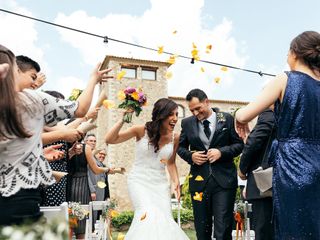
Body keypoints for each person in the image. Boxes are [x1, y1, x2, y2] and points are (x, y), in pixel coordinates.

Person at [0, 44, 112, 225]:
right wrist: (93, 80)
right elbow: (80, 109)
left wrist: (39, 152)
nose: (34, 83)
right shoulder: (33, 100)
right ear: (15, 70)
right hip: (20, 198)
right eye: (32, 77)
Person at [235, 31, 320, 239]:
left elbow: (245, 114)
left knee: (292, 227)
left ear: (294, 53)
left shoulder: (285, 79)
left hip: (293, 164)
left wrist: (238, 118)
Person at [105, 98, 189, 240]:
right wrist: (122, 119)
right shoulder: (140, 130)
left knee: (164, 218)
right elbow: (110, 139)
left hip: (161, 184)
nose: (175, 119)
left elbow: (171, 163)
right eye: (171, 114)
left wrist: (175, 183)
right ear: (160, 115)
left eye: (176, 114)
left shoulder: (176, 137)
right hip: (139, 181)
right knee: (147, 214)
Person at [178, 89, 243, 240]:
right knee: (202, 229)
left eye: (198, 108)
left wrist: (221, 152)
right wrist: (191, 156)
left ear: (206, 102)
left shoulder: (226, 119)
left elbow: (239, 145)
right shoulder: (186, 123)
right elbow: (180, 148)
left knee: (223, 227)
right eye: (191, 110)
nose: (195, 113)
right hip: (199, 183)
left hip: (224, 182)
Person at [238, 108, 275, 240]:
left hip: (265, 185)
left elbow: (253, 143)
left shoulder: (268, 115)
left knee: (263, 231)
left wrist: (242, 169)